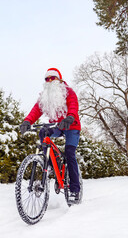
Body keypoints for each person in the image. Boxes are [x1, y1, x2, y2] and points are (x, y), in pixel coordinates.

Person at [20, 67, 81, 203]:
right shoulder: (45, 97)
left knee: (70, 153)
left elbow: (73, 106)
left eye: (52, 78)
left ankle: (74, 190)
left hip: (71, 125)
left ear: (59, 79)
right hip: (57, 126)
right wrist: (27, 121)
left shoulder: (68, 92)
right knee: (43, 132)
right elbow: (36, 110)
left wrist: (70, 117)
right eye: (47, 79)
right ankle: (53, 163)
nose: (49, 81)